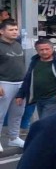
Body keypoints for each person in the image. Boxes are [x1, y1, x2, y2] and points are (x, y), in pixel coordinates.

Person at [16, 39, 56, 119]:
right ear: (37, 51)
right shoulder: (35, 61)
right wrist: (20, 95)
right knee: (45, 122)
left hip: (54, 99)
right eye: (41, 50)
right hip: (39, 99)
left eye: (47, 49)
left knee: (45, 122)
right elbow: (28, 79)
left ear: (52, 49)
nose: (44, 52)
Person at [0, 20, 26, 150]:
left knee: (17, 113)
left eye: (16, 29)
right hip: (4, 83)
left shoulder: (18, 45)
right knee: (0, 114)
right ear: (2, 31)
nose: (15, 32)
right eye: (11, 30)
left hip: (20, 83)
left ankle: (14, 138)